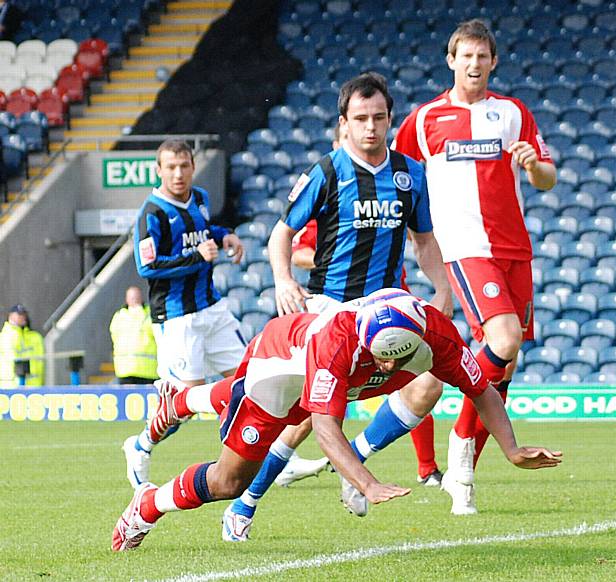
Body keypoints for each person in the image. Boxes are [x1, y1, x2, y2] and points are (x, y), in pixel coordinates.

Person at [111, 289, 562, 551]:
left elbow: (481, 387)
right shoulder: (337, 342)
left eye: (395, 361)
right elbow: (325, 427)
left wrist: (511, 448)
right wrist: (366, 483)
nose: (385, 369)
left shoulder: (436, 335)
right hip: (281, 364)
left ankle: (183, 400)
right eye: (376, 358)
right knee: (230, 480)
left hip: (320, 368)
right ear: (363, 339)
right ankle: (149, 503)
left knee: (419, 389)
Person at [225, 73, 451, 534]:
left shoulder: (410, 175)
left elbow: (424, 240)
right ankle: (245, 502)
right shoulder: (326, 172)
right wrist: (283, 278)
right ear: (344, 123)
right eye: (361, 119)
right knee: (309, 415)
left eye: (379, 118)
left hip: (387, 312)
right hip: (331, 309)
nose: (371, 127)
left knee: (429, 385)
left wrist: (442, 288)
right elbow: (282, 234)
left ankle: (356, 463)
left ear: (390, 119)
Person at [392, 19, 557, 515]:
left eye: (482, 56)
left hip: (514, 249)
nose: (474, 64)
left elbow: (547, 179)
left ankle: (463, 468)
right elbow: (396, 176)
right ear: (451, 60)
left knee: (506, 363)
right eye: (466, 55)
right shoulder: (425, 120)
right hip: (465, 248)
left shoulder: (511, 113)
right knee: (502, 340)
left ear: (493, 62)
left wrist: (533, 166)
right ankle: (460, 447)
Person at [123, 139, 246, 488]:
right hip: (178, 317)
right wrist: (197, 257)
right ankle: (141, 444)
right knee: (185, 403)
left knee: (248, 381)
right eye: (171, 167)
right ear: (158, 170)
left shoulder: (202, 198)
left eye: (184, 166)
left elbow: (204, 232)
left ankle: (273, 455)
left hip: (213, 307)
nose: (178, 173)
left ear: (193, 166)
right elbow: (147, 267)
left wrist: (226, 237)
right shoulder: (152, 213)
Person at [109, 286, 157, 385]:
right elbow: (115, 336)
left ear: (141, 298)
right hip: (124, 369)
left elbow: (155, 332)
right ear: (127, 299)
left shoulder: (149, 313)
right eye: (132, 297)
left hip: (148, 370)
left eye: (136, 297)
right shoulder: (119, 316)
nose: (134, 300)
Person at [0, 304, 45, 386]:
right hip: (13, 388)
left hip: (35, 386)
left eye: (24, 314)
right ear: (11, 316)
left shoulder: (35, 336)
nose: (23, 317)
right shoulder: (5, 336)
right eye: (19, 315)